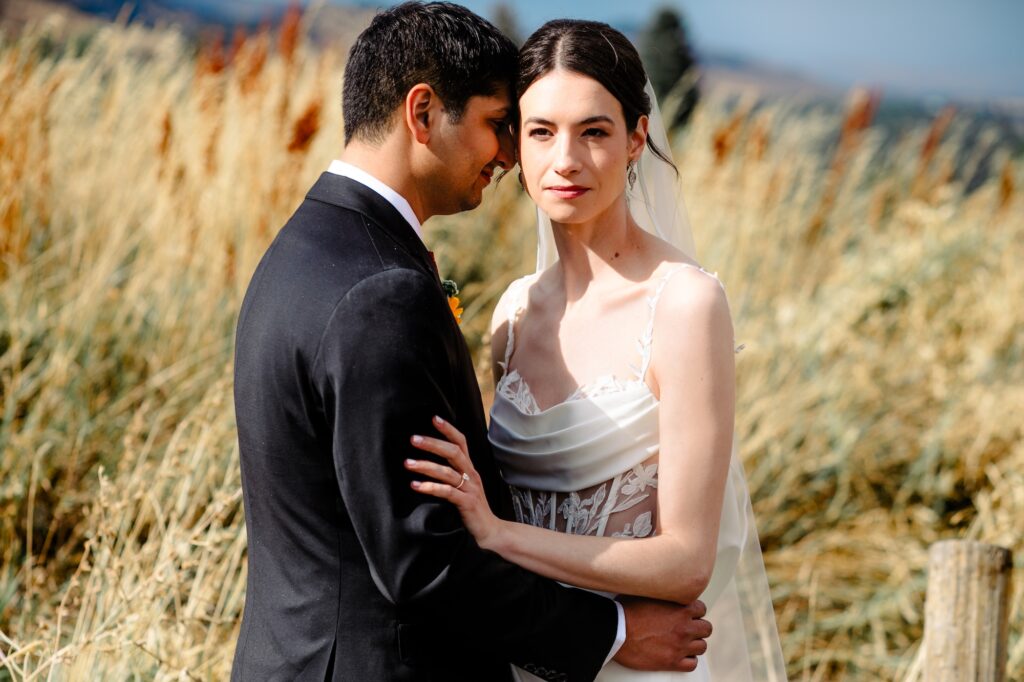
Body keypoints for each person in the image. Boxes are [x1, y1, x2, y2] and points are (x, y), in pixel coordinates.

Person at [231, 4, 711, 680]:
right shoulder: (382, 292)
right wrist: (611, 633)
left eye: (590, 131)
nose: (513, 157)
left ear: (636, 139)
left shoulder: (303, 251)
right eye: (502, 125)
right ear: (422, 113)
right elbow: (423, 562)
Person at [406, 19, 788, 681]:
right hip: (526, 658)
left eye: (595, 131)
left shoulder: (686, 306)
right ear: (515, 145)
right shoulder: (514, 314)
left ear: (637, 137)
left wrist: (497, 534)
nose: (566, 161)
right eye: (542, 132)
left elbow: (687, 559)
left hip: (639, 667)